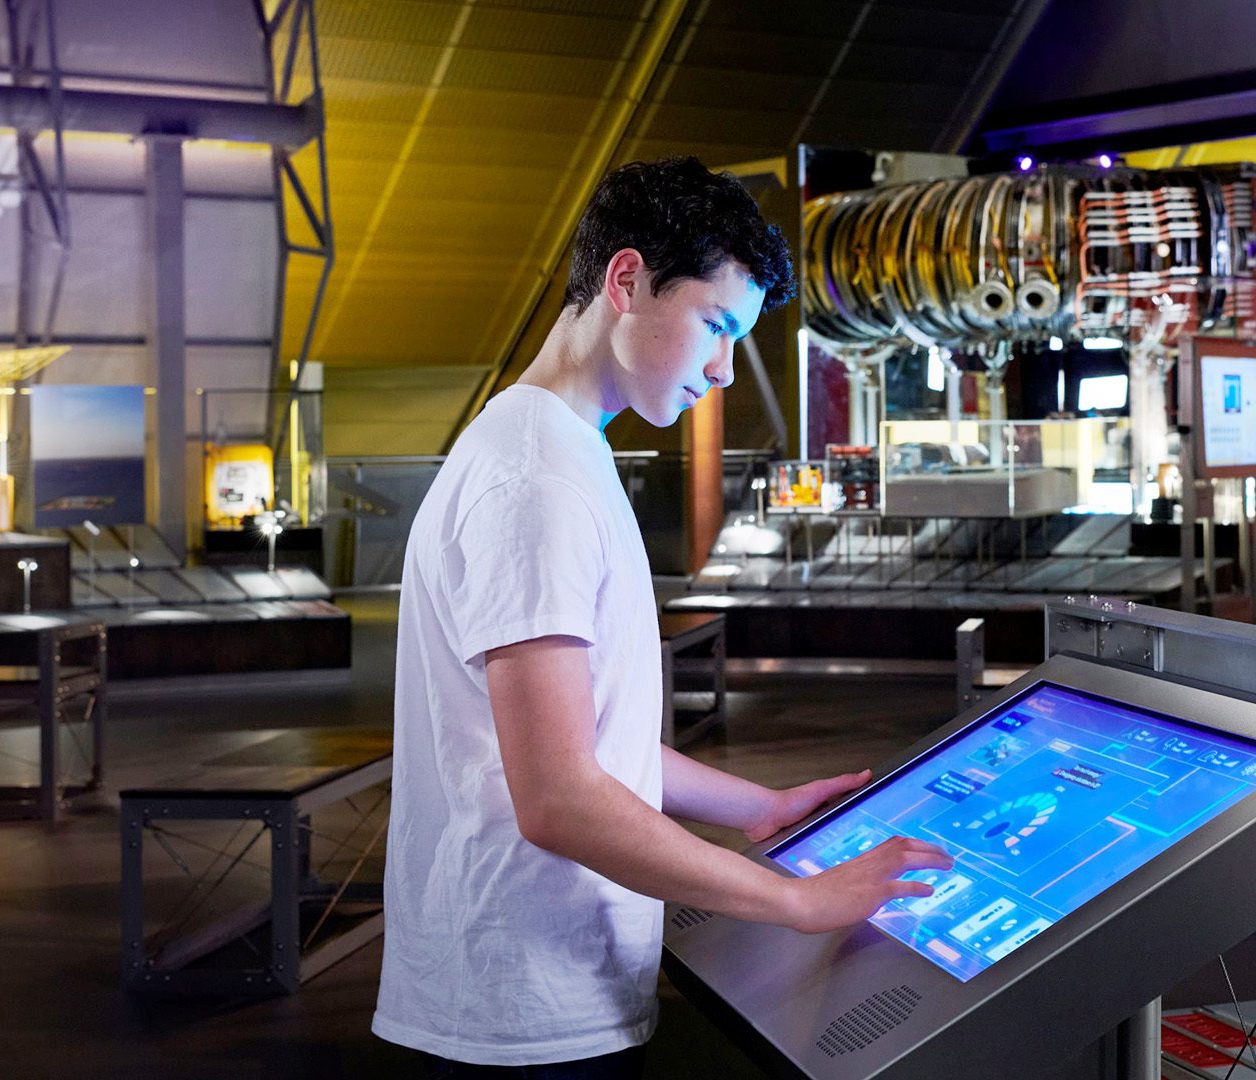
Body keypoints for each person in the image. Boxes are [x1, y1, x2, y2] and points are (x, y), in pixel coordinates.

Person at [373, 157, 952, 1079]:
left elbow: (590, 743)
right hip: (519, 1019)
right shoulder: (536, 482)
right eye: (715, 326)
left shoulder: (553, 447)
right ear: (626, 280)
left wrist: (759, 809)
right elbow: (560, 798)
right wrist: (800, 903)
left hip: (541, 990)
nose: (723, 369)